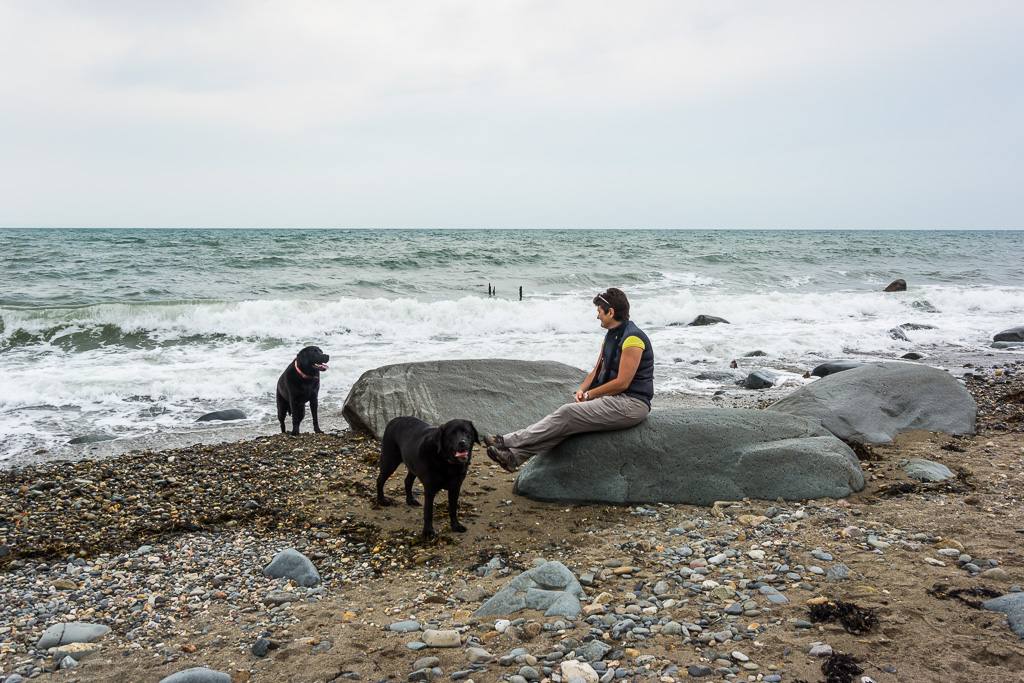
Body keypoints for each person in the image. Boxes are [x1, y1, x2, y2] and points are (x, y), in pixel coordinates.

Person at [485, 288, 654, 472]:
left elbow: (622, 383)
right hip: (614, 399)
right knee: (567, 425)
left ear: (611, 312)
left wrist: (589, 395)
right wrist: (582, 390)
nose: (597, 316)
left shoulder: (633, 338)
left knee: (567, 413)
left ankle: (507, 441)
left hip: (632, 403)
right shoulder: (611, 336)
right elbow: (597, 370)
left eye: (599, 311)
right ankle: (514, 456)